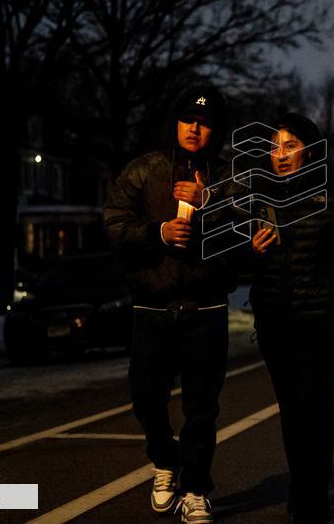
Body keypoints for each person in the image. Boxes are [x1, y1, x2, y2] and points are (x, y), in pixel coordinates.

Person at [103, 86, 232, 524]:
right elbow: (115, 224)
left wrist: (208, 202)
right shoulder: (143, 170)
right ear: (174, 122)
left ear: (215, 129)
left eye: (205, 122)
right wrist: (158, 233)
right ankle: (164, 460)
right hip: (152, 303)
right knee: (146, 396)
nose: (195, 128)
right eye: (188, 120)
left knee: (202, 406)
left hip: (206, 304)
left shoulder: (227, 174)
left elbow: (248, 229)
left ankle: (196, 489)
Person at [246, 113, 334, 523]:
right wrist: (249, 247)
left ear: (310, 149)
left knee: (315, 407)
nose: (279, 154)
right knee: (290, 409)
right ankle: (300, 485)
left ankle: (311, 495)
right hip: (274, 318)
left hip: (323, 318)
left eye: (290, 145)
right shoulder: (257, 193)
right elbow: (231, 254)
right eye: (274, 146)